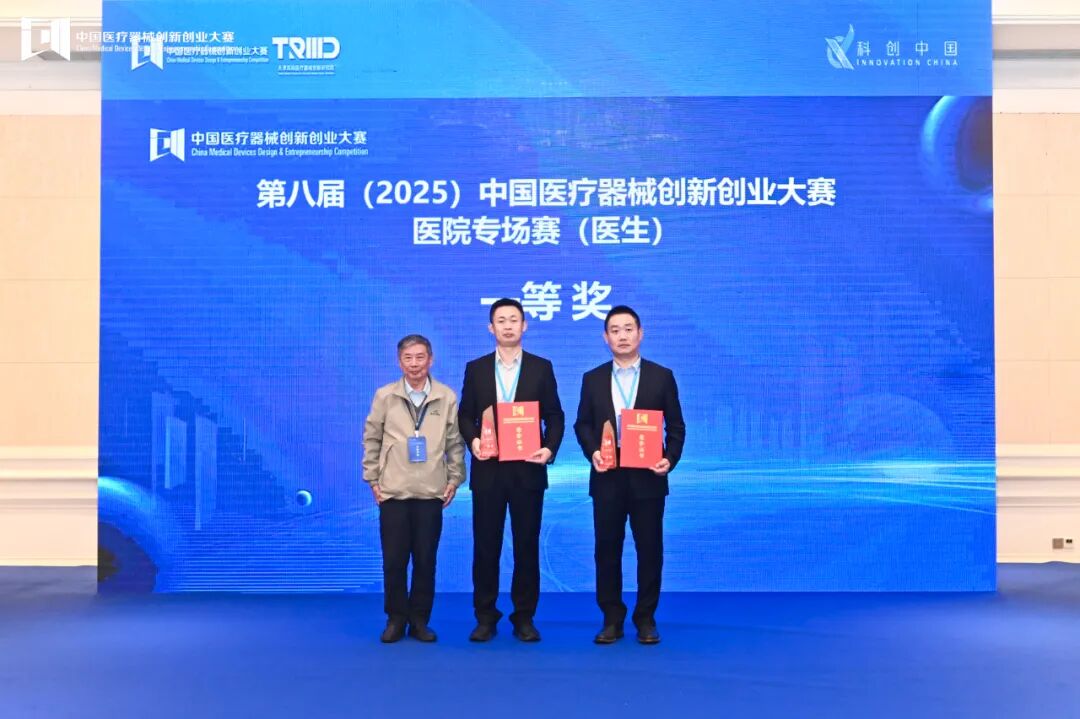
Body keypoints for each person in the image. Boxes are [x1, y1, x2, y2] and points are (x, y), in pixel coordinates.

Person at [573, 305, 685, 645]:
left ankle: (646, 618)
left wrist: (668, 459)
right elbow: (583, 424)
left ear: (640, 333)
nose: (622, 336)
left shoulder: (661, 376)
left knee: (649, 549)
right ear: (605, 338)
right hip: (607, 474)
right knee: (607, 549)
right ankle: (612, 618)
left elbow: (676, 427)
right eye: (615, 330)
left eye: (628, 329)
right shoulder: (593, 378)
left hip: (648, 476)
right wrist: (593, 451)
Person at [458, 298, 565, 642]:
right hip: (488, 470)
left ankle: (524, 617)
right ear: (491, 328)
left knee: (526, 547)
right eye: (501, 320)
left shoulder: (541, 367)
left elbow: (555, 415)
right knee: (485, 547)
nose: (507, 326)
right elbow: (465, 415)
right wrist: (474, 441)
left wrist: (549, 448)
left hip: (528, 470)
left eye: (514, 320)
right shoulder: (476, 368)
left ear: (524, 326)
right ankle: (485, 616)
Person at [362, 334, 465, 643]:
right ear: (399, 362)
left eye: (420, 357)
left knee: (425, 560)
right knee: (394, 561)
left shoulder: (446, 396)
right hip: (392, 492)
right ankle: (395, 618)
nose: (415, 364)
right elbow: (372, 438)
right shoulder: (385, 396)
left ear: (431, 360)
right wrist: (372, 478)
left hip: (431, 492)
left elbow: (455, 442)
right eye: (408, 358)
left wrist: (455, 478)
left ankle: (419, 620)